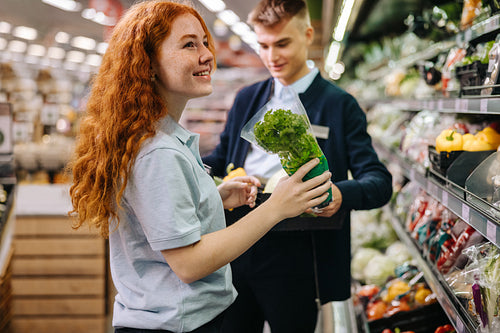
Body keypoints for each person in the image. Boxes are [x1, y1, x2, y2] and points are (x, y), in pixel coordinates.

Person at [67, 1, 333, 332]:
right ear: (148, 63)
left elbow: (159, 218)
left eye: (204, 41)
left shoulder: (163, 138)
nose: (207, 54)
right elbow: (189, 263)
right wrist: (275, 208)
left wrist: (213, 196)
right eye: (189, 44)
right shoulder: (158, 153)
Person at [202, 0, 393, 332]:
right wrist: (185, 167)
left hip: (300, 258)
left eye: (282, 43)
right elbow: (221, 157)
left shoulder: (340, 105)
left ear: (307, 35)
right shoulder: (247, 99)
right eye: (263, 45)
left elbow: (379, 181)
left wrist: (340, 194)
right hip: (237, 247)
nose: (271, 56)